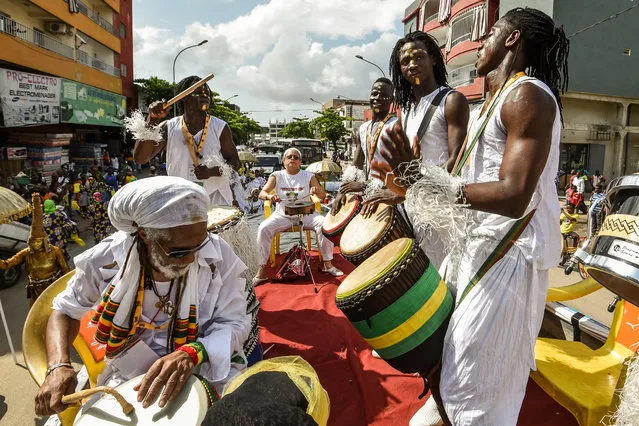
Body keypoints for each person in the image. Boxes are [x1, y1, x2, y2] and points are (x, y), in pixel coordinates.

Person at [372, 7, 569, 425]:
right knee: (452, 360)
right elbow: (458, 175)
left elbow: (515, 195)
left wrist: (426, 185)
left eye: (493, 31)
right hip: (475, 245)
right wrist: (410, 180)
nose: (481, 41)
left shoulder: (529, 95)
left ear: (513, 39)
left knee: (479, 380)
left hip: (509, 255)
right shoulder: (493, 101)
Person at [34, 177, 252, 417]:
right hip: (129, 376)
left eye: (199, 246)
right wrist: (58, 365)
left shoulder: (217, 254)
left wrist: (192, 353)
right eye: (179, 251)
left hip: (205, 363)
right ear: (145, 235)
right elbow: (64, 311)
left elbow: (236, 323)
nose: (192, 259)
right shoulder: (106, 259)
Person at [385, 30, 470, 271]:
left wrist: (421, 184)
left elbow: (458, 160)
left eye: (418, 57)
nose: (412, 64)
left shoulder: (451, 100)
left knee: (440, 276)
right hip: (413, 206)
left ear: (433, 59)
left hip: (441, 212)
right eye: (405, 61)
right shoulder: (407, 109)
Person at [133, 75, 242, 207]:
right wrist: (152, 120)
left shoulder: (220, 127)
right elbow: (140, 158)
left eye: (207, 93)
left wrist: (211, 172)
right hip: (180, 199)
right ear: (183, 97)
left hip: (215, 199)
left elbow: (235, 163)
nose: (204, 95)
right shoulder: (169, 127)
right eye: (198, 92)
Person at [253, 148, 344, 283]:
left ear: (300, 161)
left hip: (307, 213)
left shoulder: (308, 175)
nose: (292, 159)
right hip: (283, 215)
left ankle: (328, 264)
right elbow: (262, 193)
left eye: (296, 157)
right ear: (284, 161)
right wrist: (270, 196)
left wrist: (316, 190)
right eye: (289, 157)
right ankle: (261, 270)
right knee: (263, 228)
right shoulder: (276, 175)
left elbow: (322, 195)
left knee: (323, 224)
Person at [333, 78, 398, 215]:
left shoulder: (396, 127)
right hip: (369, 194)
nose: (377, 98)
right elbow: (356, 165)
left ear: (392, 100)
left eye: (383, 95)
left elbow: (398, 170)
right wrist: (341, 192)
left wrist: (363, 185)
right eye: (374, 94)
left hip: (389, 197)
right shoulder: (363, 128)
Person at [0, 194, 69, 305]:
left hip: (54, 288)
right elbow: (7, 264)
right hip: (36, 292)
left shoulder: (55, 251)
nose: (35, 244)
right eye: (33, 241)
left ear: (44, 241)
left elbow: (66, 270)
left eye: (38, 241)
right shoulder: (26, 253)